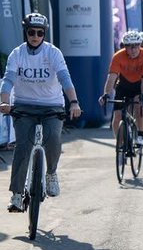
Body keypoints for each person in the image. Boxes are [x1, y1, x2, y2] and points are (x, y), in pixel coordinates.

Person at [0, 13, 82, 210]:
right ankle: (17, 195)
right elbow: (8, 80)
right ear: (25, 33)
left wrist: (74, 102)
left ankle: (51, 173)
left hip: (52, 105)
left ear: (44, 34)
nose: (35, 36)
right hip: (23, 105)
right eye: (31, 32)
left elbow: (65, 78)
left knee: (53, 138)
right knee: (23, 147)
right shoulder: (17, 54)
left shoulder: (53, 53)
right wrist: (4, 102)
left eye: (39, 32)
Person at [100, 30, 143, 146]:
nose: (133, 50)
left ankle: (140, 133)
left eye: (136, 46)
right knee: (117, 116)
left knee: (139, 106)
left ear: (140, 45)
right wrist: (106, 94)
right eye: (129, 47)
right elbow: (112, 77)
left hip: (140, 84)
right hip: (123, 85)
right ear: (124, 47)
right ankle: (120, 144)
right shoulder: (118, 56)